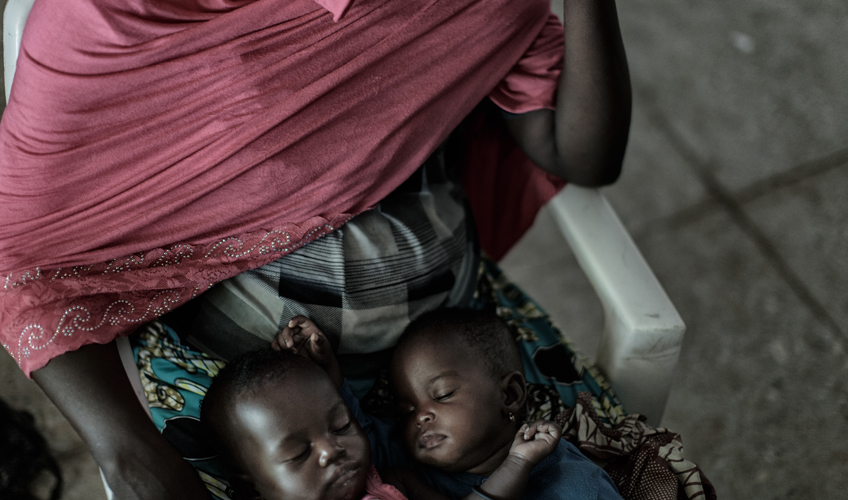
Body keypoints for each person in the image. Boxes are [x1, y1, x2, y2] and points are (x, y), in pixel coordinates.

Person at [0, 0, 631, 499]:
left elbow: (583, 154)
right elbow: (22, 253)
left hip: (458, 348)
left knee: (603, 475)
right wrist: (128, 449)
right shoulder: (119, 16)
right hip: (268, 399)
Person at [261, 313, 621, 500]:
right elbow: (357, 438)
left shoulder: (571, 481)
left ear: (509, 395)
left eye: (444, 394)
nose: (421, 416)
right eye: (406, 411)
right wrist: (325, 374)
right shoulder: (408, 460)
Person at [199, 344, 560, 500]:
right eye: (297, 454)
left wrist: (517, 463)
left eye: (341, 427)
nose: (331, 450)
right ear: (253, 489)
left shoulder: (398, 481)